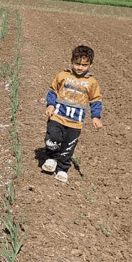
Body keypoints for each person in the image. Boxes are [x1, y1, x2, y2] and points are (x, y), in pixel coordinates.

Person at [41, 45, 103, 183]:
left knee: (68, 146)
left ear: (91, 65)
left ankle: (62, 168)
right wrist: (50, 104)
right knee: (53, 137)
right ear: (71, 61)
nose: (80, 67)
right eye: (77, 64)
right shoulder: (63, 75)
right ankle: (51, 158)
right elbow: (53, 91)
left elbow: (95, 100)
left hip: (75, 122)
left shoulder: (91, 82)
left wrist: (96, 116)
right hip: (57, 116)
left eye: (84, 65)